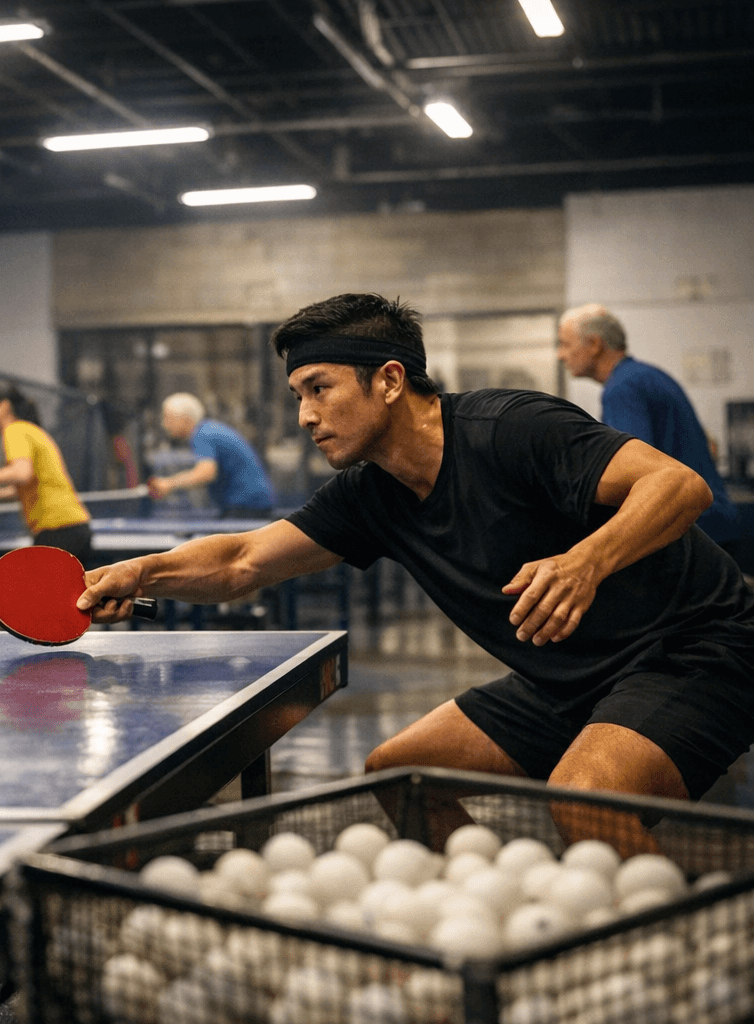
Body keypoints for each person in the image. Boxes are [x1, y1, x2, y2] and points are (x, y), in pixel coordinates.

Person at [79, 293, 754, 855]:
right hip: (574, 676)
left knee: (587, 796)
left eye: (319, 389)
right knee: (402, 773)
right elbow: (240, 561)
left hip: (701, 648)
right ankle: (495, 922)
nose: (305, 416)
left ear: (391, 380)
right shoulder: (372, 496)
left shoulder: (510, 429)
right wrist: (140, 573)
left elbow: (679, 485)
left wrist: (586, 561)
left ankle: (672, 968)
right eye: (297, 394)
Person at [557, 303, 743, 556]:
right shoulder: (646, 376)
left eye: (565, 344)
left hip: (692, 530)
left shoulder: (623, 389)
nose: (560, 355)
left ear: (594, 344)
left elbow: (632, 476)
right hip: (710, 520)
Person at [0, 381, 93, 565]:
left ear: (4, 406)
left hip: (58, 530)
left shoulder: (15, 430)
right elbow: (24, 485)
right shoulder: (29, 430)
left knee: (39, 593)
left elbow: (22, 473)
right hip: (73, 529)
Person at [147, 392, 276, 517]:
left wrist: (169, 484)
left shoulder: (202, 435)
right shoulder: (209, 430)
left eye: (168, 418)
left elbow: (206, 473)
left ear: (185, 418)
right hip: (247, 504)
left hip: (247, 507)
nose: (164, 424)